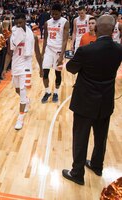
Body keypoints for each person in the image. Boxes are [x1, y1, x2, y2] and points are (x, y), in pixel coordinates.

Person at [62, 15, 122, 185]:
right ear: (113, 30)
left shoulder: (86, 50)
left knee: (81, 138)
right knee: (101, 136)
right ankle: (97, 165)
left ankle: (77, 173)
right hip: (106, 100)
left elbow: (71, 68)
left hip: (85, 100)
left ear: (96, 29)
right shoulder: (119, 49)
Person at [2, 13, 42, 130]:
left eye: (21, 22)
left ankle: (20, 119)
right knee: (17, 89)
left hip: (26, 65)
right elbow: (9, 53)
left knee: (23, 90)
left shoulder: (32, 37)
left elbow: (38, 53)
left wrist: (41, 68)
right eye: (17, 23)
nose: (19, 25)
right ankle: (27, 101)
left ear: (25, 21)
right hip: (16, 65)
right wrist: (4, 68)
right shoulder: (12, 37)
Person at [41, 3, 69, 103]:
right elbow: (45, 39)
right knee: (45, 73)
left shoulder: (65, 22)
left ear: (60, 12)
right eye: (52, 14)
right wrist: (42, 52)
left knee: (58, 74)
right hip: (49, 49)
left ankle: (56, 92)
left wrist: (62, 55)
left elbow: (65, 40)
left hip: (58, 51)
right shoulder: (47, 23)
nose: (54, 16)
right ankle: (47, 91)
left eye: (56, 14)